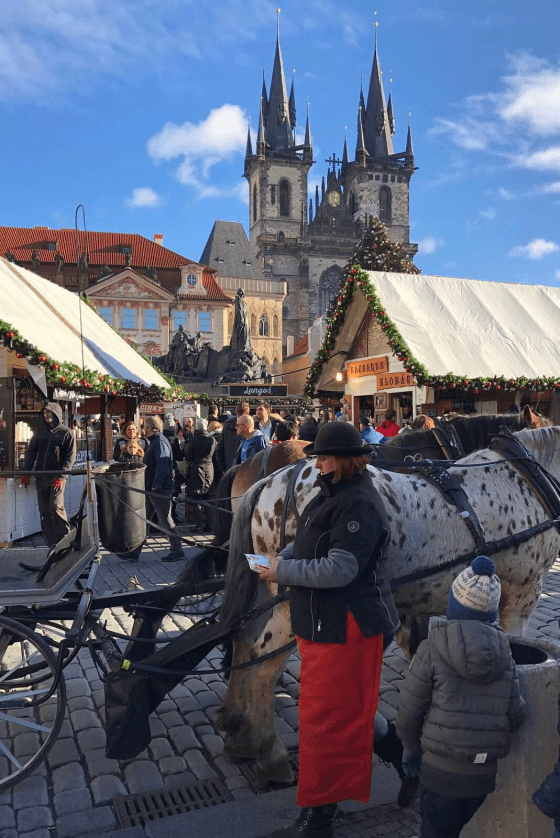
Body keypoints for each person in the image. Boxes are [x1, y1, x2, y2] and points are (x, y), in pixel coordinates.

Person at [259, 422, 400, 838]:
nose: (317, 464)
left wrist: (283, 569)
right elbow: (311, 542)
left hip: (347, 626)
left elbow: (342, 569)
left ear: (345, 460)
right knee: (343, 713)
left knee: (324, 722)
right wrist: (281, 554)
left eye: (323, 458)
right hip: (324, 622)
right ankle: (407, 759)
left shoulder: (359, 503)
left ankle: (318, 819)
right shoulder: (331, 490)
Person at [396, 556, 525, 838]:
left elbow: (407, 713)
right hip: (481, 780)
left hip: (439, 775)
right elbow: (516, 714)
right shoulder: (505, 653)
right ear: (491, 612)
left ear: (454, 605)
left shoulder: (432, 648)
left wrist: (410, 750)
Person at [22, 402, 76, 547]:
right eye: (45, 414)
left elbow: (70, 458)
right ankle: (52, 543)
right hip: (41, 477)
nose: (47, 416)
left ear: (57, 414)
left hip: (56, 478)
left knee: (56, 508)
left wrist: (61, 476)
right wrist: (26, 472)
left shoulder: (67, 433)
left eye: (49, 413)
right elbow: (31, 453)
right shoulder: (39, 432)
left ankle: (66, 540)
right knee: (44, 511)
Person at [143, 415, 184, 562]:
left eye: (144, 427)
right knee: (145, 518)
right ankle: (135, 549)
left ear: (149, 428)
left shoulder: (159, 442)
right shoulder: (155, 441)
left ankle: (177, 549)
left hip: (160, 488)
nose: (143, 429)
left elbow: (162, 463)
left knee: (165, 519)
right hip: (152, 487)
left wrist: (156, 484)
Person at [184, 418, 217, 533]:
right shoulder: (212, 440)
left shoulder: (193, 440)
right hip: (209, 468)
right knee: (207, 497)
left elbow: (188, 457)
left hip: (196, 469)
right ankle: (211, 524)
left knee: (197, 498)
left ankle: (199, 526)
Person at [216, 401, 250, 473]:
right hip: (248, 468)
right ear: (248, 412)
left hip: (230, 467)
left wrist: (223, 469)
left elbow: (219, 448)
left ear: (236, 411)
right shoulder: (251, 425)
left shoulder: (227, 425)